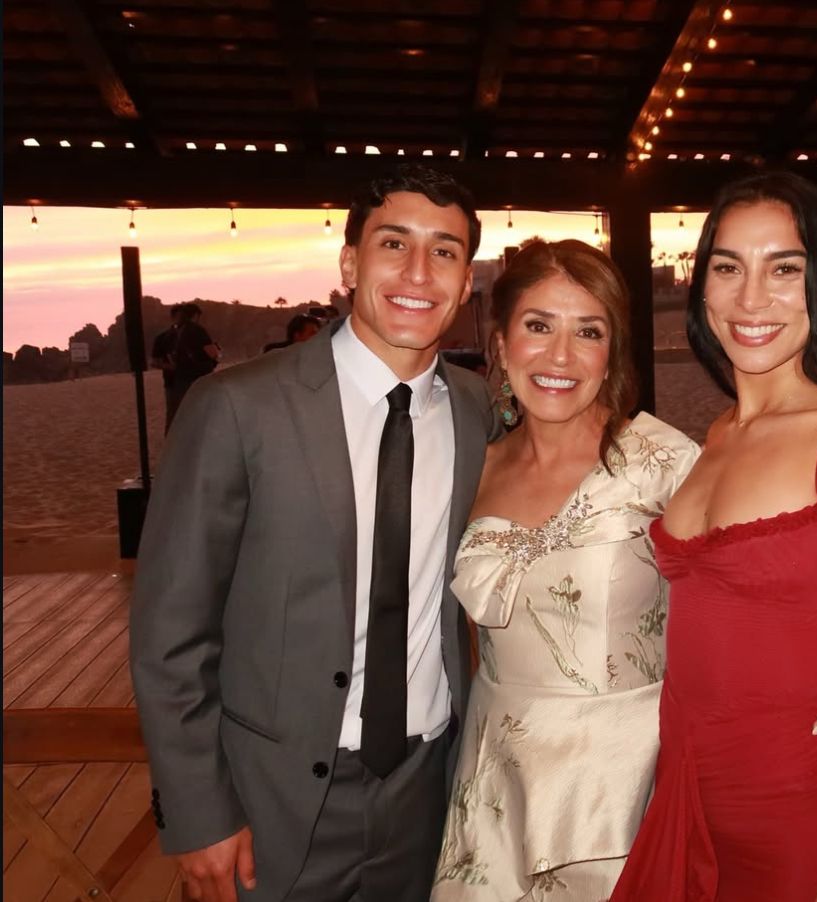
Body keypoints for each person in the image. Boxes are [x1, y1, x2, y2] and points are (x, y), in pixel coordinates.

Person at [431, 239, 817, 900]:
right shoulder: (472, 465)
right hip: (496, 770)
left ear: (612, 353)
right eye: (538, 326)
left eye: (589, 332)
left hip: (623, 780)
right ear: (500, 343)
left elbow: (782, 578)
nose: (560, 356)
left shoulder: (663, 462)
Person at [131, 165, 498, 902]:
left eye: (444, 252)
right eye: (393, 243)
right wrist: (198, 809)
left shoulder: (475, 408)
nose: (417, 272)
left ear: (465, 285)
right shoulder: (236, 407)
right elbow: (170, 629)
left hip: (428, 789)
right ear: (349, 264)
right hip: (271, 801)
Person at [612, 172, 817, 901]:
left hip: (802, 827)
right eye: (728, 268)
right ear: (701, 288)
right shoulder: (719, 435)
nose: (750, 298)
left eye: (784, 269)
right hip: (690, 808)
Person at [171, 302, 222, 418]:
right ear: (195, 315)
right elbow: (212, 353)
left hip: (181, 377)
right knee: (203, 413)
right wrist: (218, 353)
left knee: (186, 413)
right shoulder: (198, 330)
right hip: (199, 376)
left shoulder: (177, 331)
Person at [150, 303, 184, 432]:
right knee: (173, 415)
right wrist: (171, 367)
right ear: (174, 317)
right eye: (181, 316)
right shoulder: (163, 338)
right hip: (172, 382)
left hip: (192, 380)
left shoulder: (194, 335)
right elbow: (154, 362)